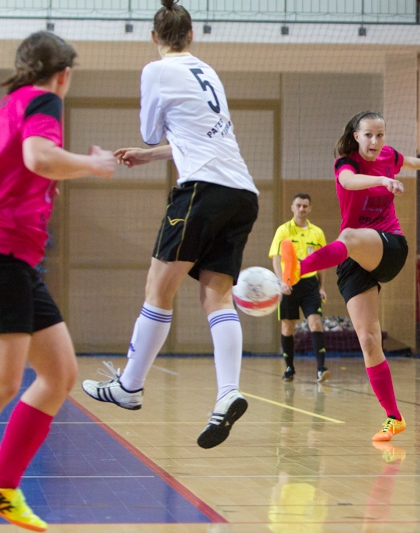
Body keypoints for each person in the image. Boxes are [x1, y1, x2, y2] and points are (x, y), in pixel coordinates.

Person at [82, 0, 260, 450]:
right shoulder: (208, 71)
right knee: (216, 294)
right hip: (241, 192)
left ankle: (129, 386)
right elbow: (196, 136)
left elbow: (149, 129)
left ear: (154, 37)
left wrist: (147, 146)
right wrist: (153, 155)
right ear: (193, 35)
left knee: (158, 288)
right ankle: (227, 395)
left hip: (201, 189)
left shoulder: (155, 70)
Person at [0, 31, 116, 531]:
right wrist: (91, 164)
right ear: (64, 74)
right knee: (6, 380)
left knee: (59, 374)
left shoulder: (11, 102)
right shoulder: (45, 99)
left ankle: (4, 491)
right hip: (5, 253)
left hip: (22, 260)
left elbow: (28, 169)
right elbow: (39, 158)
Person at [280, 111, 420, 442]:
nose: (376, 142)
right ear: (356, 136)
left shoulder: (388, 156)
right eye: (369, 135)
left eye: (380, 135)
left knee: (349, 236)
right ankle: (393, 417)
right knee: (368, 339)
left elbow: (403, 159)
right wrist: (383, 180)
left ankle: (297, 269)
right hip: (353, 259)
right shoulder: (345, 163)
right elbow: (349, 182)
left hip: (389, 246)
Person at [269, 193, 330, 383]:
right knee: (288, 327)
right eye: (299, 205)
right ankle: (289, 368)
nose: (302, 209)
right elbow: (276, 258)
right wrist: (281, 282)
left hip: (310, 284)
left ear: (310, 209)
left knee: (316, 323)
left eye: (305, 206)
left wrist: (322, 287)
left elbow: (322, 262)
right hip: (289, 284)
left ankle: (321, 368)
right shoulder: (283, 230)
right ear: (292, 207)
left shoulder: (317, 233)